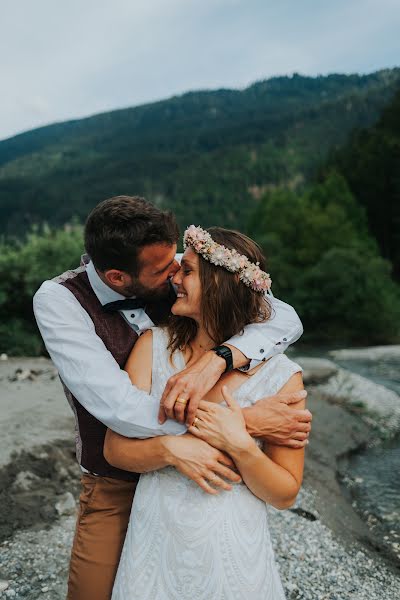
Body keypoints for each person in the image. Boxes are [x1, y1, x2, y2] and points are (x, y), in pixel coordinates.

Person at [33, 197, 311, 600]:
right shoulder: (61, 302)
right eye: (166, 270)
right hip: (116, 480)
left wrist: (219, 359)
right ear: (117, 278)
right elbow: (121, 409)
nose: (175, 274)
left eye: (181, 265)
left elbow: (281, 315)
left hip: (220, 508)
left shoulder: (178, 266)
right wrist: (244, 424)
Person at [107, 225, 305, 599]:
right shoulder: (152, 348)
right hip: (154, 546)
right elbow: (116, 450)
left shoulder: (282, 377)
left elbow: (284, 494)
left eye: (188, 271)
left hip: (234, 553)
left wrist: (242, 446)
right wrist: (176, 448)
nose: (174, 279)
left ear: (220, 284)